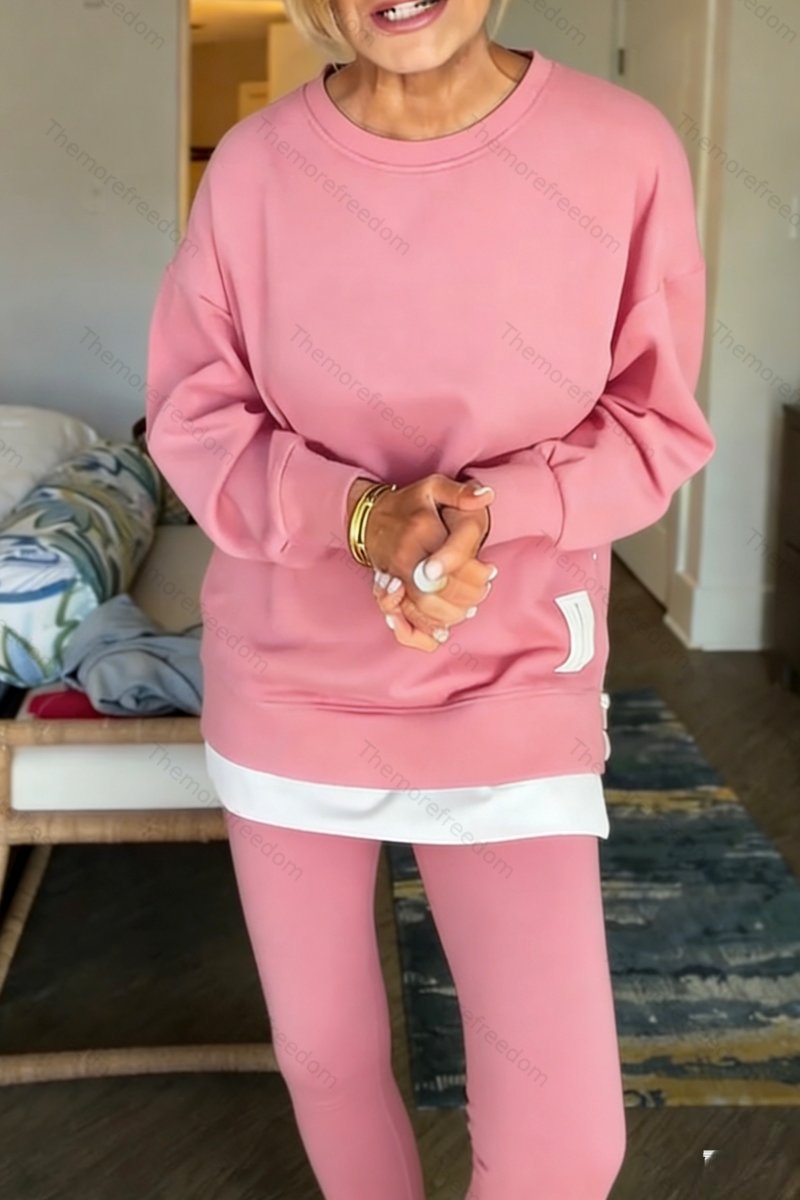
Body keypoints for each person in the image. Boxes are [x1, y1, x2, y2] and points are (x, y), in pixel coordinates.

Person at [145, 0, 716, 1194]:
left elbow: (652, 421)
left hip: (513, 684)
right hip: (291, 690)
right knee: (329, 1062)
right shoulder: (254, 169)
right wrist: (360, 517)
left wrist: (489, 513)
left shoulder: (621, 150)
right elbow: (195, 417)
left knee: (565, 1142)